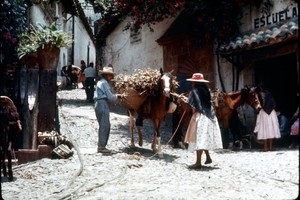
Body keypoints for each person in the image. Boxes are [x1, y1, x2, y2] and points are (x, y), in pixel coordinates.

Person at [184, 73, 223, 169]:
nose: (192, 82)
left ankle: (198, 163)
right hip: (209, 116)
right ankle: (208, 157)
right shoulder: (207, 90)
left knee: (199, 139)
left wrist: (188, 105)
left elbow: (192, 104)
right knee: (204, 137)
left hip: (200, 117)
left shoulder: (194, 91)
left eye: (193, 81)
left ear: (195, 82)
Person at [94, 66, 124, 153]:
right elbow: (110, 97)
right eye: (110, 76)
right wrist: (118, 96)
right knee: (105, 126)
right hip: (102, 104)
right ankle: (101, 147)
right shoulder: (104, 83)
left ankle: (101, 146)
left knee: (104, 125)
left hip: (99, 104)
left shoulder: (100, 82)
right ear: (106, 75)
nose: (111, 78)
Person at [254, 84, 281, 151]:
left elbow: (263, 104)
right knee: (267, 130)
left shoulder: (263, 95)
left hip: (266, 113)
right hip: (267, 114)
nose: (262, 95)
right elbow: (270, 103)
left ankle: (268, 147)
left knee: (267, 130)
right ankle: (268, 148)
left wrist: (261, 108)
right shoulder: (264, 95)